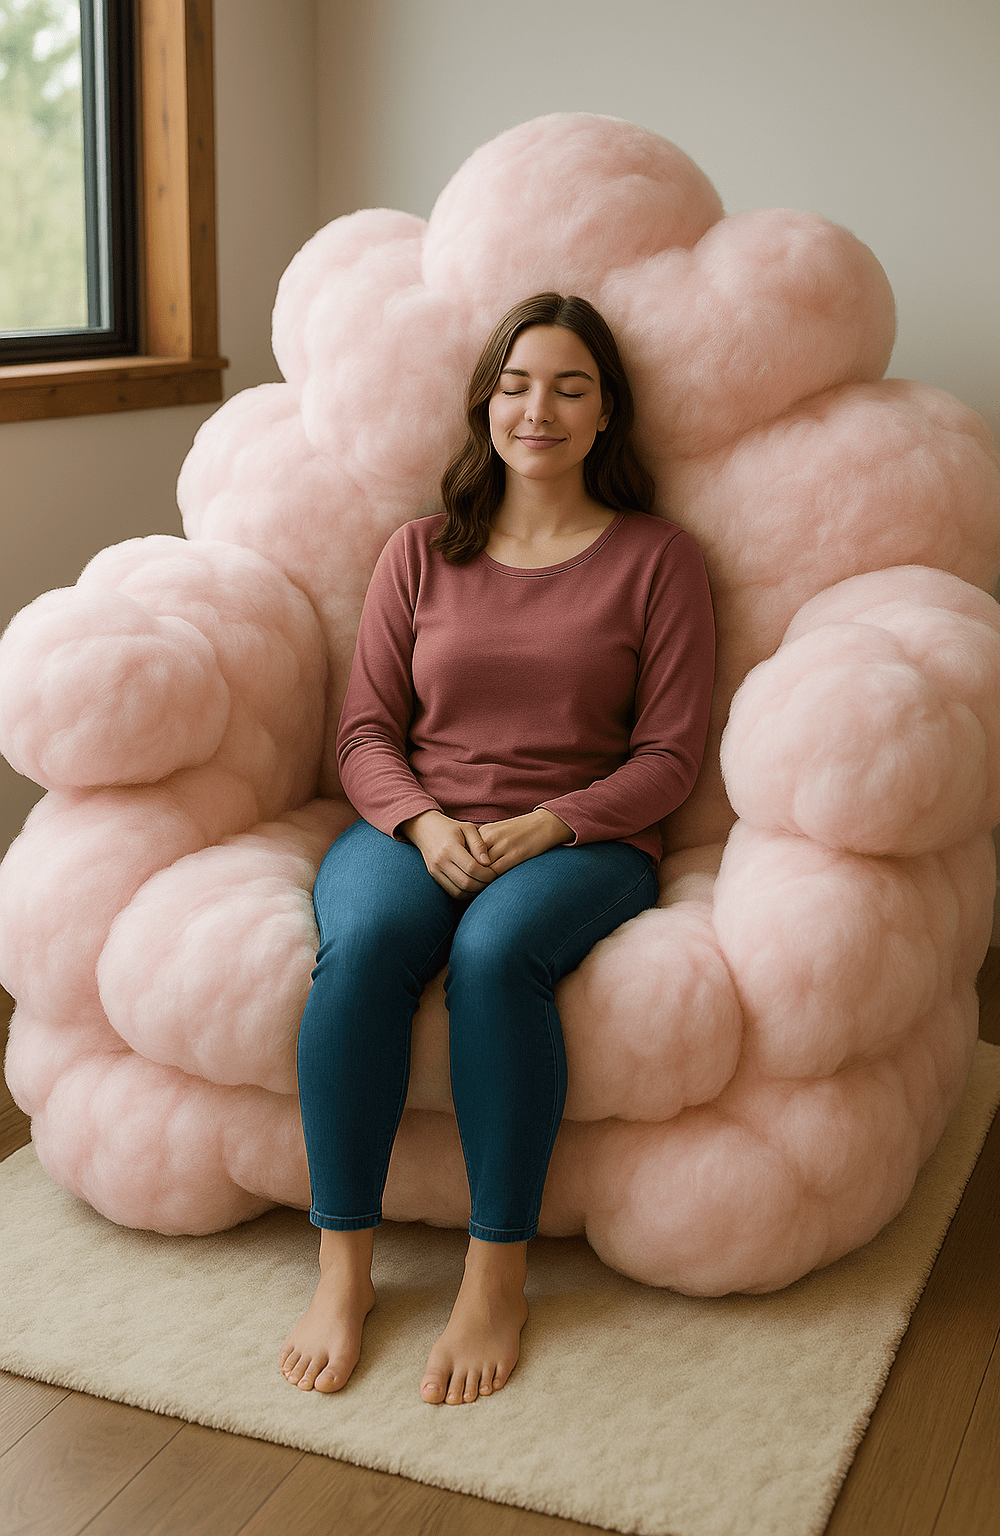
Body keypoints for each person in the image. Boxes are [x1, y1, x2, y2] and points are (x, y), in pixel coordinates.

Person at [279, 292, 715, 1404]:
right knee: (367, 947)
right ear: (484, 404)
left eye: (571, 386)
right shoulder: (420, 552)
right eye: (517, 385)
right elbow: (364, 731)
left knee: (491, 958)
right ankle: (344, 1269)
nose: (540, 409)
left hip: (583, 836)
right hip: (415, 820)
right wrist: (423, 824)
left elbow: (669, 754)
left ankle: (495, 1274)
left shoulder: (659, 560)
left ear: (607, 412)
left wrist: (544, 825)